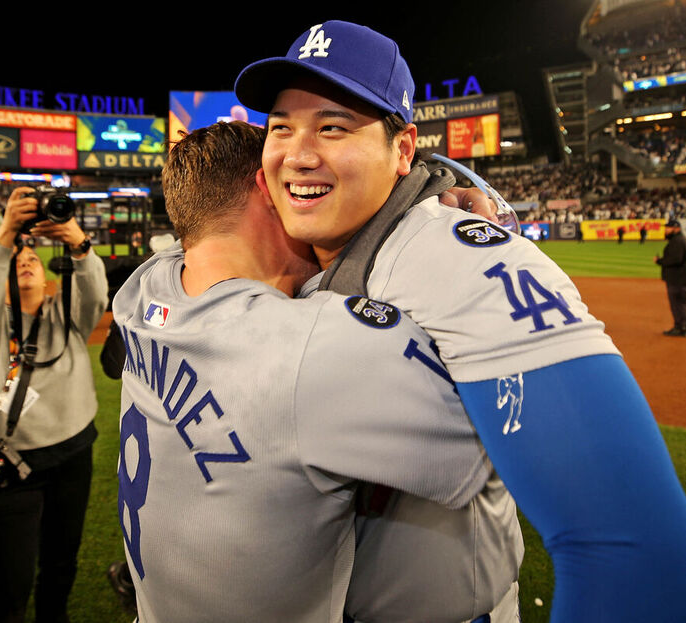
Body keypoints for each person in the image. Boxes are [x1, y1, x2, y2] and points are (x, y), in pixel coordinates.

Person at [235, 20, 686, 622]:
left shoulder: (463, 263)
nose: (297, 153)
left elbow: (638, 551)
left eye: (333, 127)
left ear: (402, 150)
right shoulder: (276, 254)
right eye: (280, 128)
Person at [112, 120, 495, 622]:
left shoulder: (143, 291)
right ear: (268, 192)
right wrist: (478, 206)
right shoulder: (312, 347)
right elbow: (498, 446)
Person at [0, 186, 108, 623]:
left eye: (33, 261)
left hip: (70, 457)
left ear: (47, 278)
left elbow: (94, 295)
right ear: (2, 276)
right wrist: (6, 232)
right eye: (16, 261)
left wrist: (78, 242)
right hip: (6, 467)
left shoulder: (68, 317)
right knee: (8, 590)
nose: (25, 262)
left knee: (60, 568)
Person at [655, 218, 686, 337]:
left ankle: (680, 328)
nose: (666, 230)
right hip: (684, 278)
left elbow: (675, 260)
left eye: (668, 228)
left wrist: (660, 261)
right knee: (683, 303)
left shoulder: (677, 242)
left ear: (677, 229)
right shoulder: (681, 240)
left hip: (678, 279)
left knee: (678, 304)